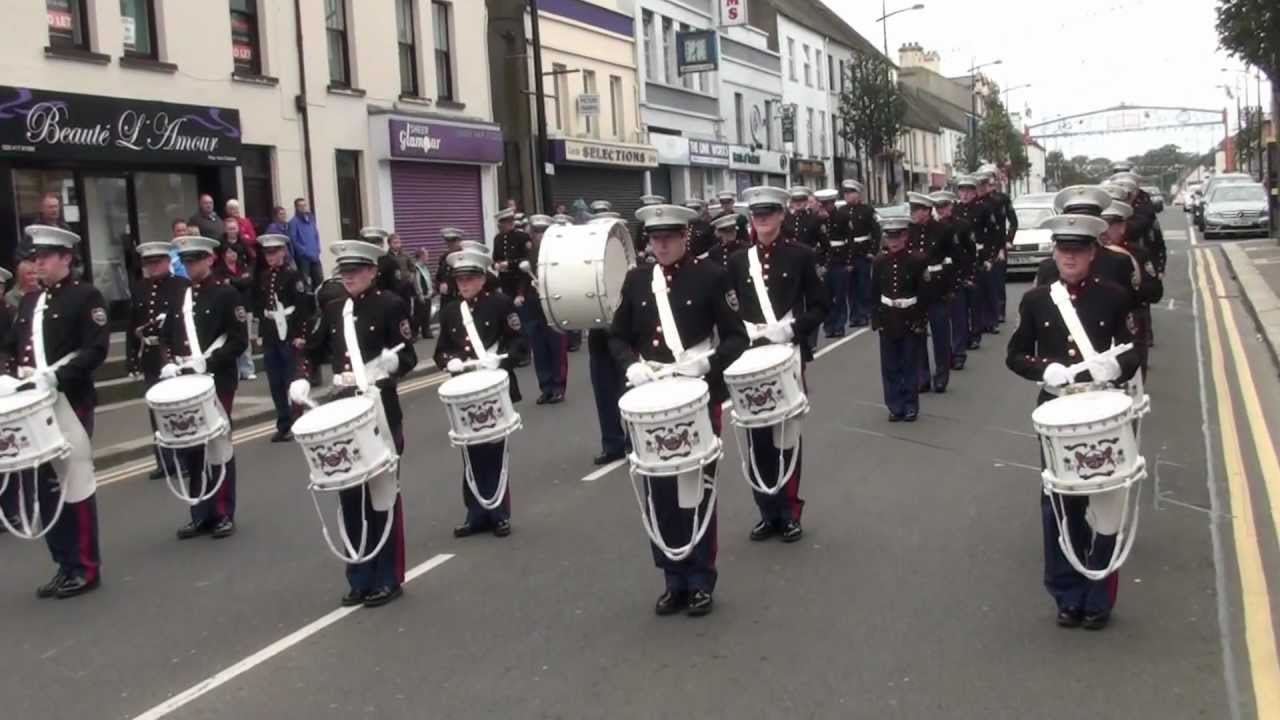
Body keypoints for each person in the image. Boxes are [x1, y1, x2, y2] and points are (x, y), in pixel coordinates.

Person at [609, 203, 748, 617]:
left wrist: (709, 363)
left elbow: (736, 337)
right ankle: (672, 577)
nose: (663, 244)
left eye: (670, 237)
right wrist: (631, 365)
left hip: (694, 393)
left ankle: (700, 577)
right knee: (657, 490)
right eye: (656, 238)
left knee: (695, 488)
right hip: (652, 396)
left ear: (685, 236)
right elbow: (616, 337)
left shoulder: (711, 276)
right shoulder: (636, 282)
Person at [1006, 214, 1139, 630]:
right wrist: (1043, 369)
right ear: (1054, 252)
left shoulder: (1115, 296)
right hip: (1057, 413)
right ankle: (1066, 594)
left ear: (1092, 253)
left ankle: (1098, 593)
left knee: (1105, 503)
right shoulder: (1037, 301)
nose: (1069, 256)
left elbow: (1133, 352)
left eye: (1077, 249)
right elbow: (1015, 354)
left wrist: (1111, 369)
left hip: (1102, 410)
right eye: (1063, 249)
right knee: (1060, 504)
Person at [291, 240, 418, 608]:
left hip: (379, 406)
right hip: (345, 409)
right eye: (344, 272)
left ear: (372, 271)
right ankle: (359, 575)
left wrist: (393, 366)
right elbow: (310, 350)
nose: (349, 277)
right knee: (349, 493)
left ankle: (388, 577)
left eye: (356, 270)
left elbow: (407, 353)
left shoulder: (391, 305)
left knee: (382, 493)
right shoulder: (333, 310)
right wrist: (302, 376)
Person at [2, 225, 109, 597]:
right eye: (34, 258)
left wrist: (56, 377)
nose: (37, 264)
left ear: (65, 258)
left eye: (44, 257)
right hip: (33, 405)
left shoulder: (85, 296)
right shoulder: (30, 301)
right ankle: (65, 563)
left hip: (69, 400)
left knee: (73, 480)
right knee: (45, 487)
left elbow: (96, 349)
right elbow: (14, 348)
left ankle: (86, 567)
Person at [726, 186, 827, 542]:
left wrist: (792, 328)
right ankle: (767, 511)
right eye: (757, 214)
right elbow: (728, 309)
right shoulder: (739, 260)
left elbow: (819, 306)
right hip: (751, 356)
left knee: (785, 433)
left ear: (782, 215)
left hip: (786, 352)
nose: (763, 219)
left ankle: (789, 510)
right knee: (755, 434)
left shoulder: (801, 255)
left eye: (769, 212)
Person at [433, 244, 527, 538]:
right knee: (470, 453)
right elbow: (441, 353)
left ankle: (499, 513)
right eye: (460, 280)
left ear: (482, 279)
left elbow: (519, 343)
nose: (464, 284)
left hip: (495, 386)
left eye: (469, 279)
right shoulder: (450, 313)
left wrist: (500, 360)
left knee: (495, 452)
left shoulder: (500, 304)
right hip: (465, 391)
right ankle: (476, 514)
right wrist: (451, 361)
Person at [162, 235, 247, 540]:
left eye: (195, 259)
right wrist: (170, 361)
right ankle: (200, 512)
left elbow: (239, 340)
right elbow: (168, 335)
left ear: (211, 259)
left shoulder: (226, 294)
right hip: (186, 379)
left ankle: (223, 512)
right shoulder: (180, 297)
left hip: (216, 378)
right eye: (185, 261)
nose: (190, 265)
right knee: (191, 445)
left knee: (217, 443)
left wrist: (208, 364)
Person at [127, 239, 189, 480]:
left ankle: (183, 458)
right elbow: (133, 324)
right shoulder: (140, 288)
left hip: (173, 355)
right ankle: (164, 460)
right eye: (148, 264)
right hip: (150, 354)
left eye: (157, 263)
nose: (152, 268)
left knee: (177, 409)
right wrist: (132, 358)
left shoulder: (181, 285)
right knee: (155, 410)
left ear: (167, 261)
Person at [254, 234, 313, 442]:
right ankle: (283, 422)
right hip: (271, 333)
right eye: (267, 253)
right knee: (275, 382)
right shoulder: (263, 276)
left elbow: (303, 308)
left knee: (292, 380)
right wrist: (261, 335)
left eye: (274, 252)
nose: (270, 256)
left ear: (283, 252)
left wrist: (300, 335)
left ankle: (297, 420)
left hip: (289, 332)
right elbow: (262, 307)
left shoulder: (293, 276)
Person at [873, 216, 928, 422]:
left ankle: (911, 404)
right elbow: (874, 292)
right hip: (888, 317)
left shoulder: (917, 260)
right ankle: (894, 405)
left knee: (909, 363)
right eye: (889, 237)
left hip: (909, 315)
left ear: (905, 236)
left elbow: (923, 293)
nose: (893, 241)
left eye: (897, 237)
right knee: (890, 365)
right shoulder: (879, 262)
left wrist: (920, 319)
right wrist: (876, 318)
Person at [1099, 200, 1162, 374]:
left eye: (1110, 225)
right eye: (1100, 224)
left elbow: (1155, 292)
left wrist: (1134, 284)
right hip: (1098, 327)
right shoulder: (1089, 255)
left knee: (1133, 379)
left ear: (1122, 227)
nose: (1104, 230)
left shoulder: (1138, 253)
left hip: (1130, 324)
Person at [906, 192, 959, 394]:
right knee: (917, 334)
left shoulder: (943, 230)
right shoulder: (908, 231)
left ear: (927, 211)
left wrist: (950, 287)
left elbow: (953, 260)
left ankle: (941, 376)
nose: (913, 214)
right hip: (916, 289)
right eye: (912, 210)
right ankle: (922, 377)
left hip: (937, 288)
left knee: (940, 335)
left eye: (917, 210)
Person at [520, 215, 568, 404]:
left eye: (543, 232)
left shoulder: (558, 253)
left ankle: (558, 387)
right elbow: (523, 277)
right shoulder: (529, 254)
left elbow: (566, 277)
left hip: (554, 305)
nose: (539, 235)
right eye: (536, 231)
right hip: (533, 306)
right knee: (539, 350)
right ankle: (546, 388)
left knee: (557, 348)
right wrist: (521, 293)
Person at [931, 190, 975, 370]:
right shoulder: (931, 228)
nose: (942, 210)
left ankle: (959, 354)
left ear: (951, 206)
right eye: (938, 207)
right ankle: (945, 355)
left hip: (957, 276)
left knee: (958, 319)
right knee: (941, 322)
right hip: (937, 281)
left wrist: (968, 275)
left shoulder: (962, 225)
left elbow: (970, 252)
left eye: (945, 206)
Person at [954, 176, 994, 348]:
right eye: (962, 190)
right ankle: (963, 334)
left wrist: (988, 256)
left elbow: (992, 232)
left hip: (977, 254)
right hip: (958, 258)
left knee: (975, 298)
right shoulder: (954, 210)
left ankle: (976, 333)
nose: (965, 194)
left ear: (974, 192)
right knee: (960, 300)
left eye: (968, 191)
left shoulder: (983, 208)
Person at [836, 180, 880, 328]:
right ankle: (854, 316)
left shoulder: (867, 210)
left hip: (862, 253)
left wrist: (872, 252)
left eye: (851, 193)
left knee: (863, 285)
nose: (848, 196)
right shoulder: (841, 211)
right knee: (850, 287)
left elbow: (876, 232)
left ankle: (864, 313)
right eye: (846, 193)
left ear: (858, 194)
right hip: (848, 254)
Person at [221, 223, 257, 382]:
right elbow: (224, 284)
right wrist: (238, 281)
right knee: (231, 339)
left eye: (234, 252)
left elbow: (247, 282)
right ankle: (235, 370)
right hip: (228, 309)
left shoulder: (244, 267)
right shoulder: (220, 270)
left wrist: (233, 281)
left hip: (245, 306)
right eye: (228, 252)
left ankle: (248, 369)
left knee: (246, 339)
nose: (232, 254)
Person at [492, 208, 531, 300]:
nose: (510, 223)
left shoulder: (522, 237)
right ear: (500, 224)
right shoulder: (497, 239)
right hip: (504, 281)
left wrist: (509, 264)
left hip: (520, 280)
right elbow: (494, 259)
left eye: (511, 221)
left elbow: (527, 259)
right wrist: (496, 265)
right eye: (507, 222)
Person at [287, 197, 323, 290]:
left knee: (319, 280)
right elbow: (293, 239)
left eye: (304, 205)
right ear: (296, 208)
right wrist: (303, 251)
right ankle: (308, 302)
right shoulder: (293, 222)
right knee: (306, 282)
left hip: (314, 255)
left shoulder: (311, 220)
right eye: (300, 206)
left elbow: (316, 234)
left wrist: (317, 248)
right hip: (303, 258)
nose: (303, 208)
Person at [435, 228, 463, 309]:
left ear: (459, 241)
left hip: (459, 298)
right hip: (445, 299)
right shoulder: (444, 258)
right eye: (447, 241)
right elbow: (438, 277)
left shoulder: (464, 257)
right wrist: (439, 286)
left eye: (453, 241)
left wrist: (450, 287)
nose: (450, 244)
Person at [412, 248, 435, 339]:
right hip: (420, 295)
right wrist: (420, 294)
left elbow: (428, 280)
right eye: (426, 256)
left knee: (426, 315)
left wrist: (431, 291)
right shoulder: (416, 268)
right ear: (421, 256)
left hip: (428, 294)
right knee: (418, 315)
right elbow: (416, 282)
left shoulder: (425, 267)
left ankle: (426, 331)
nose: (428, 258)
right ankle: (414, 333)